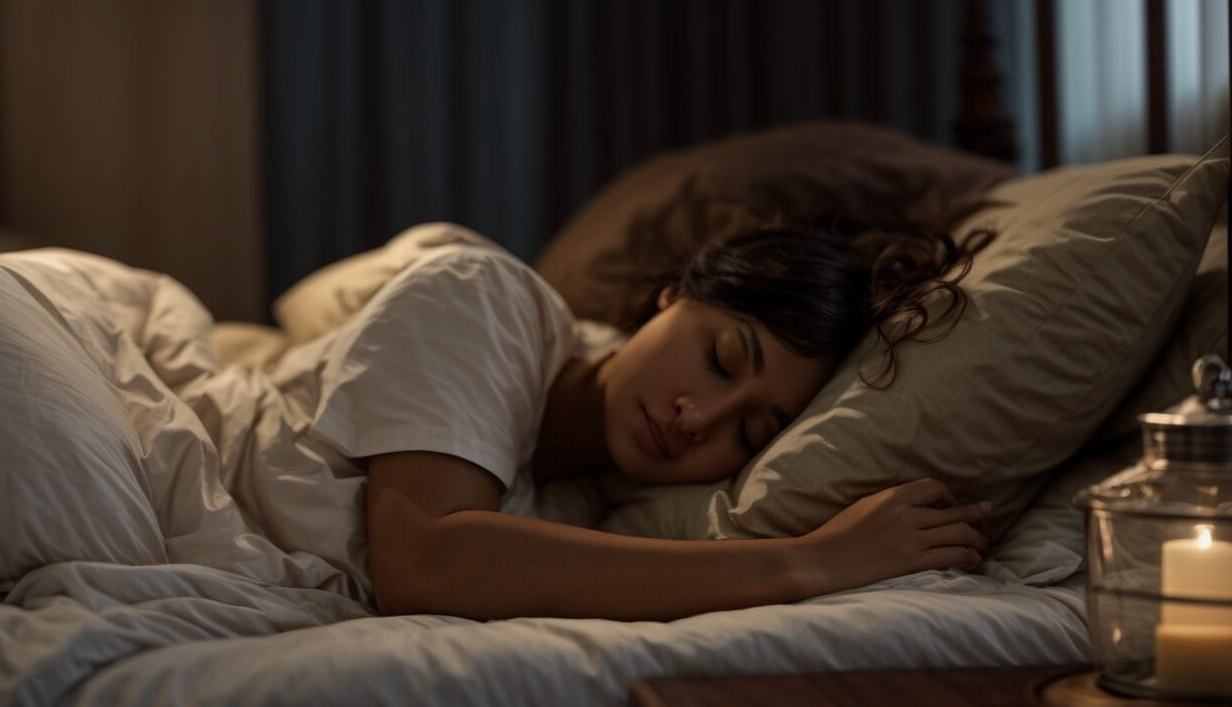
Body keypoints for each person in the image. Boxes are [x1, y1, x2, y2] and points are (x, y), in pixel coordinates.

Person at [336, 216, 995, 621]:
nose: (698, 420)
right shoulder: (483, 299)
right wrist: (812, 561)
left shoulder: (603, 501)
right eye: (720, 357)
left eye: (750, 434)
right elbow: (423, 561)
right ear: (675, 294)